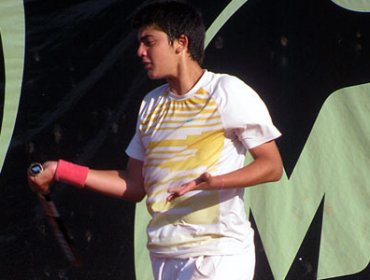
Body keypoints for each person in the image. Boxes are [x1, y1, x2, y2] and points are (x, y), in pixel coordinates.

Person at [28, 1, 283, 279]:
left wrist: (216, 182)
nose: (140, 52)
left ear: (180, 43)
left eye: (149, 42)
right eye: (140, 43)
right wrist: (62, 170)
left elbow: (272, 166)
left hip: (218, 254)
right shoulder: (151, 104)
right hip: (164, 255)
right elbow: (134, 185)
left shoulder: (227, 92)